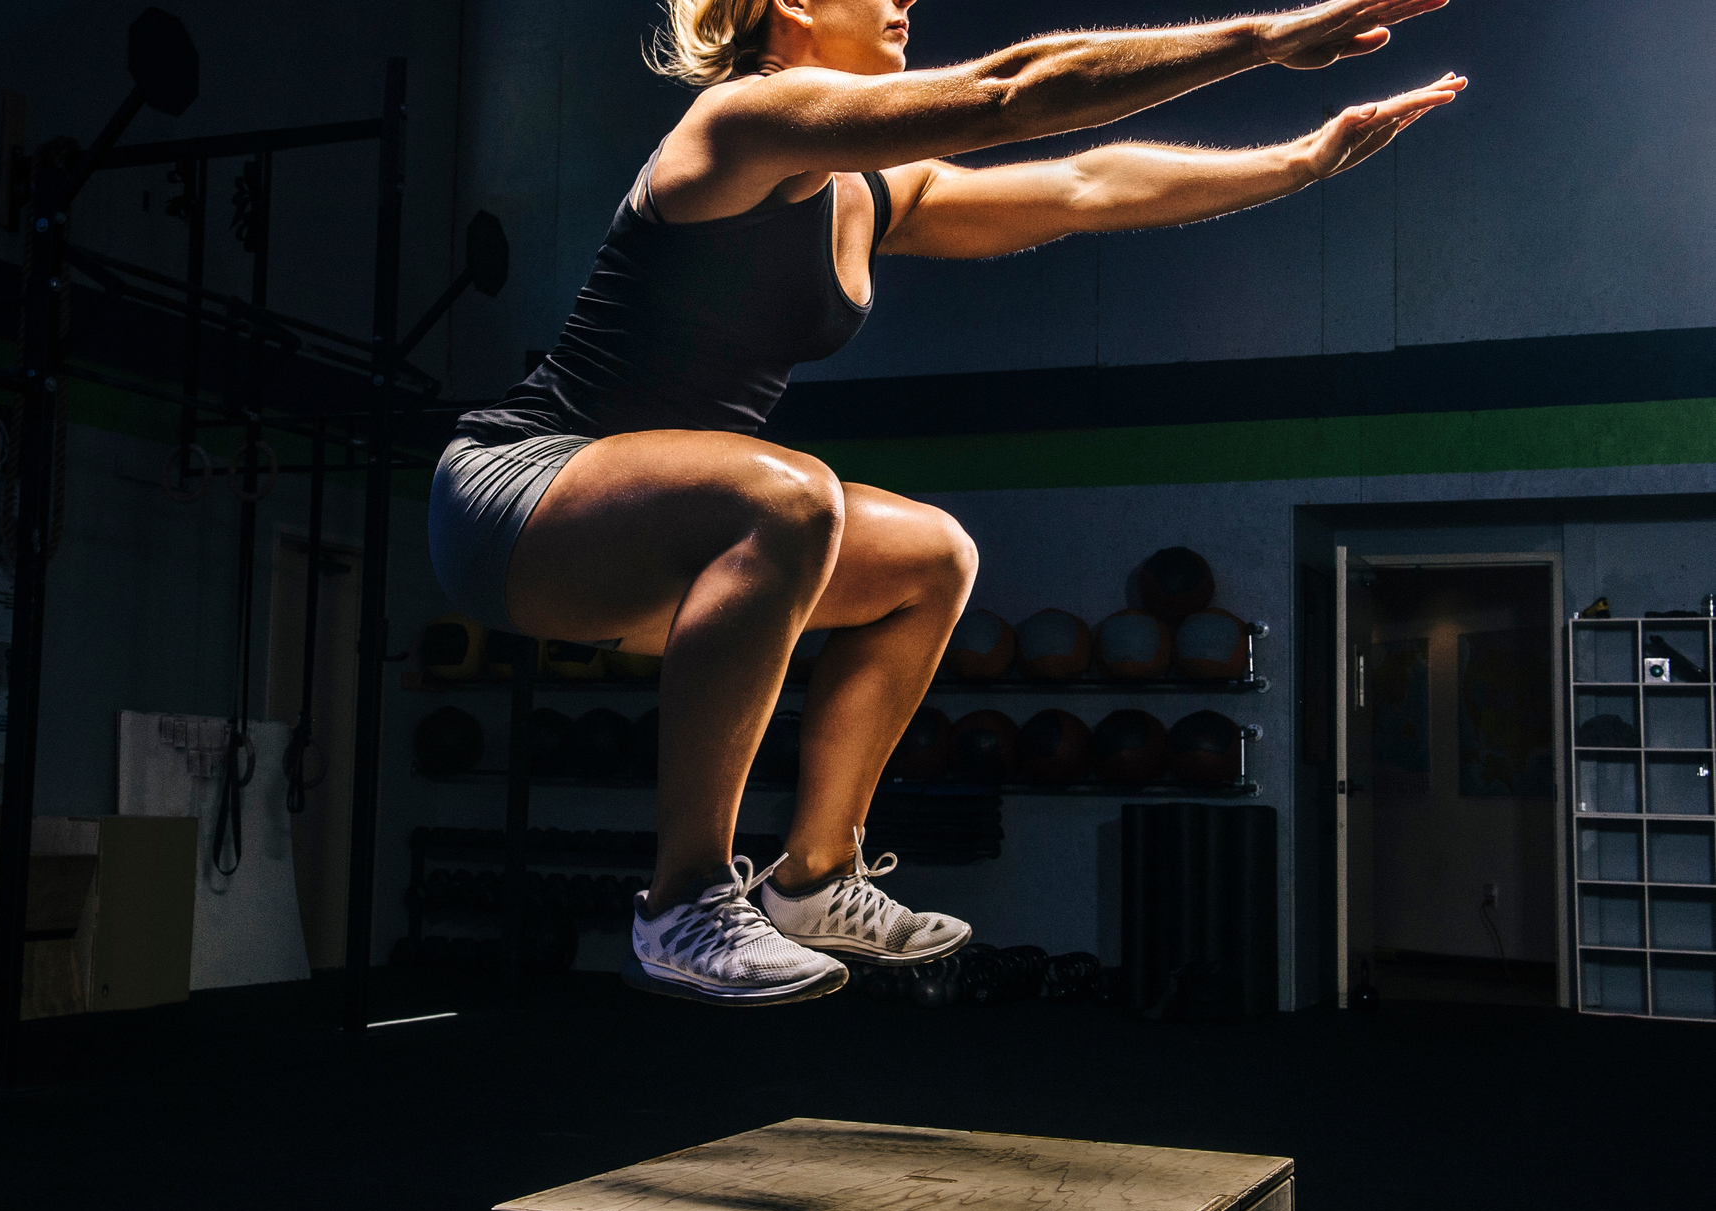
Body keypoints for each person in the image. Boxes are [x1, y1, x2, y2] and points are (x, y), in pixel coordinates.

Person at [430, 0, 1463, 1006]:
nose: (908, 0)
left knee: (932, 558)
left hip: (663, 539)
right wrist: (1263, 36)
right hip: (517, 495)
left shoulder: (869, 190)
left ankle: (813, 878)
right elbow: (1007, 93)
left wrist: (1297, 161)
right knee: (792, 500)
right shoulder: (740, 122)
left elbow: (1085, 185)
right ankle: (682, 901)